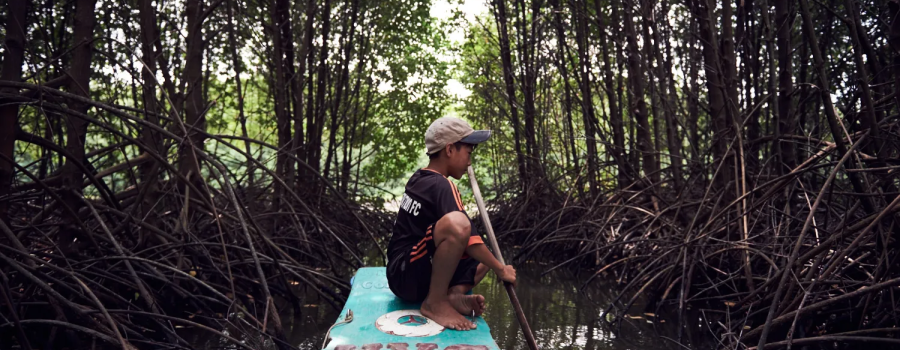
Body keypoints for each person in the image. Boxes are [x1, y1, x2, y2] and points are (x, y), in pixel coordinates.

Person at [386, 117, 517, 331]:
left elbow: (472, 242)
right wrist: (501, 269)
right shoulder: (442, 185)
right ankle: (435, 303)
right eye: (468, 152)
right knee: (460, 226)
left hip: (404, 274)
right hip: (405, 275)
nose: (469, 162)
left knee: (486, 257)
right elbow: (463, 233)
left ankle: (453, 295)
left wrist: (494, 263)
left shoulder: (419, 177)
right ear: (449, 150)